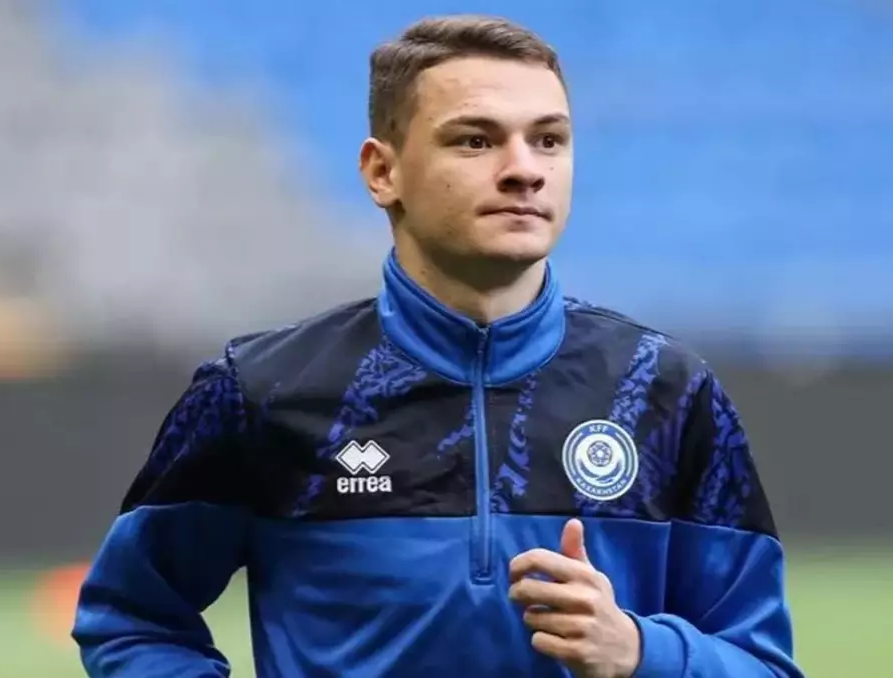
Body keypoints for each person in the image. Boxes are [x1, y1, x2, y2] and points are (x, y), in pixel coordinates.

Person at [72, 14, 804, 678]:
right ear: (382, 171)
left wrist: (641, 653)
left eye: (549, 139)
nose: (524, 168)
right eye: (475, 140)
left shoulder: (665, 390)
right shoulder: (263, 391)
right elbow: (132, 618)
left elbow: (763, 663)